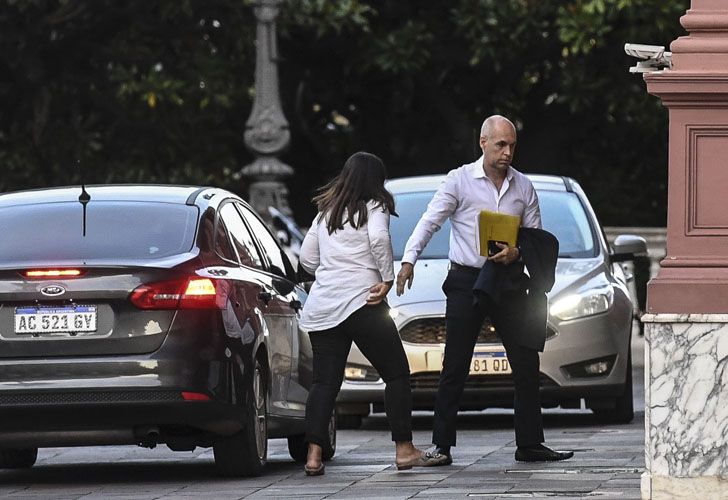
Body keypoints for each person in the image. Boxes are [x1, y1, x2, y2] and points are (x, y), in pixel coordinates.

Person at [396, 115, 574, 464]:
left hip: (508, 279)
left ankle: (530, 444)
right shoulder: (459, 181)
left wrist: (517, 253)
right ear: (483, 143)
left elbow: (534, 238)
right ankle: (441, 446)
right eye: (500, 145)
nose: (507, 152)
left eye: (512, 145)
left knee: (525, 361)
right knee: (455, 364)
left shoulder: (523, 186)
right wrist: (408, 260)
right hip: (467, 280)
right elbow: (429, 222)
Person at [298, 151, 425, 476]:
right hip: (363, 303)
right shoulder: (374, 207)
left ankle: (313, 456)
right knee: (396, 373)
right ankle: (404, 449)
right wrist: (385, 277)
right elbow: (380, 238)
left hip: (325, 306)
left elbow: (307, 258)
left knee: (325, 382)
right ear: (375, 181)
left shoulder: (325, 213)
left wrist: (330, 271)